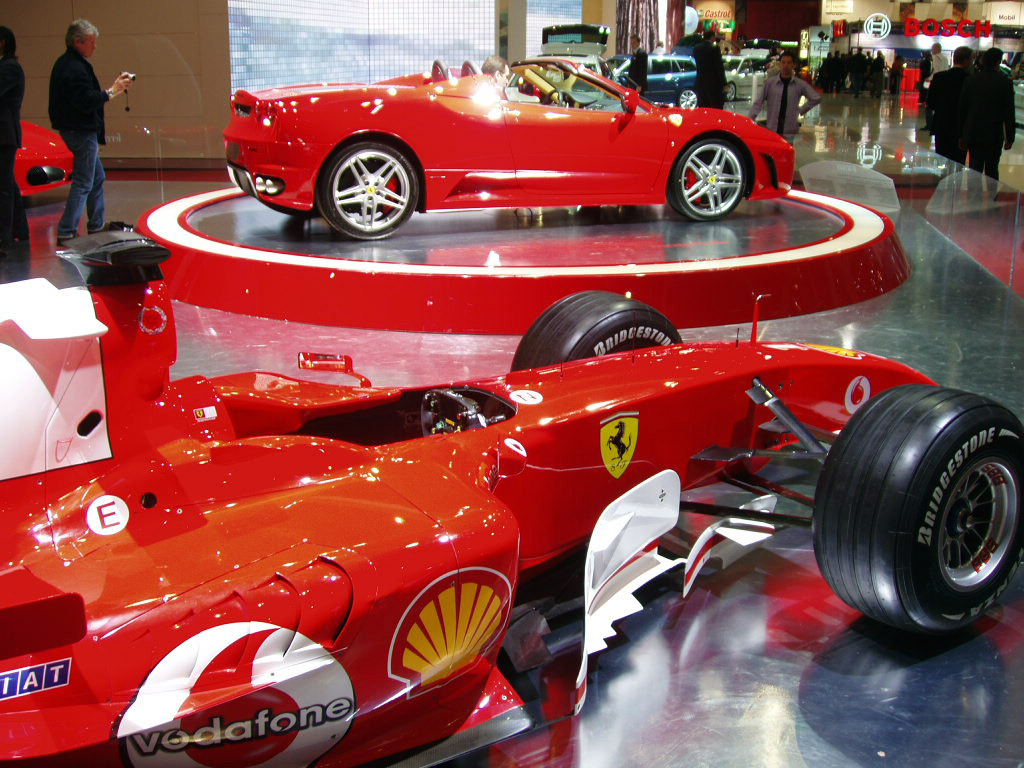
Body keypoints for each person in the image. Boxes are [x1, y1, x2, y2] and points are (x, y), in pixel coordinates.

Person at [48, 19, 133, 243]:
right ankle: (67, 231)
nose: (94, 46)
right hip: (81, 132)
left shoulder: (68, 64)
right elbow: (86, 101)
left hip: (78, 130)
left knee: (96, 178)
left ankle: (96, 225)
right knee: (85, 181)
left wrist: (111, 91)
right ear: (78, 42)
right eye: (91, 42)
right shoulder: (74, 68)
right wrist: (112, 91)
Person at [959, 46, 1014, 181]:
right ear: (998, 62)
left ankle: (974, 197)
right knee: (992, 168)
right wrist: (1010, 137)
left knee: (975, 167)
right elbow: (1008, 111)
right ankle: (991, 198)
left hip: (974, 132)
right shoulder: (1004, 82)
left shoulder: (971, 80)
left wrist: (961, 135)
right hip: (994, 133)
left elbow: (962, 109)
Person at [748, 49, 821, 140]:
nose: (786, 65)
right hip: (772, 129)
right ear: (780, 64)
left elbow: (816, 98)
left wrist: (801, 110)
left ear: (794, 65)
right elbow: (758, 102)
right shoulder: (770, 83)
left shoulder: (799, 84)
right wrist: (750, 120)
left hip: (789, 131)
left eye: (789, 63)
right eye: (783, 62)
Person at [0, 25, 27, 256]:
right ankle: (20, 230)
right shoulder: (6, 66)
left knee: (4, 188)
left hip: (4, 134)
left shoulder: (9, 68)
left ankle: (4, 237)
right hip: (4, 133)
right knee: (8, 184)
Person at [926, 45, 972, 165]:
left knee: (942, 161)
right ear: (966, 60)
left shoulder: (939, 77)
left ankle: (942, 182)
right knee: (959, 162)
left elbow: (930, 102)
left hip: (941, 125)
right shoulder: (969, 80)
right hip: (960, 128)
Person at [693, 28, 726, 108]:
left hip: (700, 82)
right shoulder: (714, 49)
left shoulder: (696, 48)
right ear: (712, 37)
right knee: (714, 106)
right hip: (713, 83)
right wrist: (724, 83)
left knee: (703, 106)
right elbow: (719, 67)